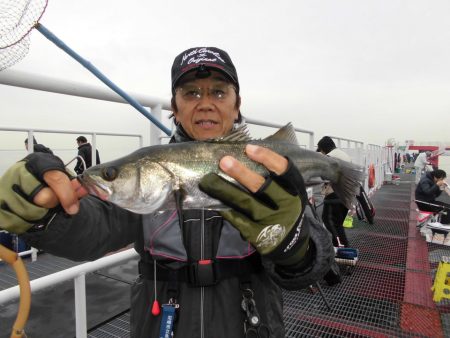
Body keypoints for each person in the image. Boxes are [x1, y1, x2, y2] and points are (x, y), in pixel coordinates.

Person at [0, 47, 335, 338]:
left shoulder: (268, 166)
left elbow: (315, 264)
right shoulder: (147, 170)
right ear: (174, 107)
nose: (205, 104)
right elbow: (92, 230)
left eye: (219, 92)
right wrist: (42, 215)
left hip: (251, 323)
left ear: (237, 106)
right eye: (191, 93)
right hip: (163, 324)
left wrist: (294, 247)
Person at [316, 136, 352, 247]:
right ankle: (339, 246)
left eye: (321, 150)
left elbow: (324, 177)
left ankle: (342, 248)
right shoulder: (342, 154)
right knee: (338, 223)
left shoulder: (329, 157)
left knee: (328, 219)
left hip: (335, 194)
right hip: (348, 193)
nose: (321, 153)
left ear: (324, 148)